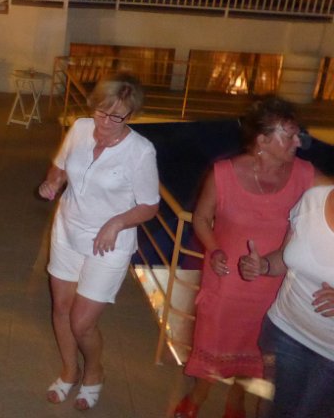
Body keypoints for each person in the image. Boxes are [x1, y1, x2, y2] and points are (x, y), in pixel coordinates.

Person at [173, 97, 324, 418]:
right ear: (262, 140)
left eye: (299, 134)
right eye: (290, 135)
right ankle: (198, 396)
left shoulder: (306, 175)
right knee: (214, 344)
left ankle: (236, 401)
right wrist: (214, 248)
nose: (299, 142)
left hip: (275, 285)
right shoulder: (223, 174)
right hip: (226, 281)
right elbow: (202, 218)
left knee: (253, 349)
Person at [38, 73, 159, 411]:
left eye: (116, 116)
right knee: (61, 309)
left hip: (109, 244)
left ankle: (94, 371)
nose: (104, 122)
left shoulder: (140, 151)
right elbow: (60, 166)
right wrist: (53, 182)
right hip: (67, 231)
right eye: (101, 112)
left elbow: (149, 205)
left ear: (131, 116)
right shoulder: (80, 128)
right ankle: (69, 370)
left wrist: (117, 223)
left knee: (82, 322)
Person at [238, 185, 334, 418]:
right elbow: (285, 256)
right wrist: (263, 265)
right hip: (285, 330)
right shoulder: (313, 199)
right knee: (274, 411)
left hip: (330, 353)